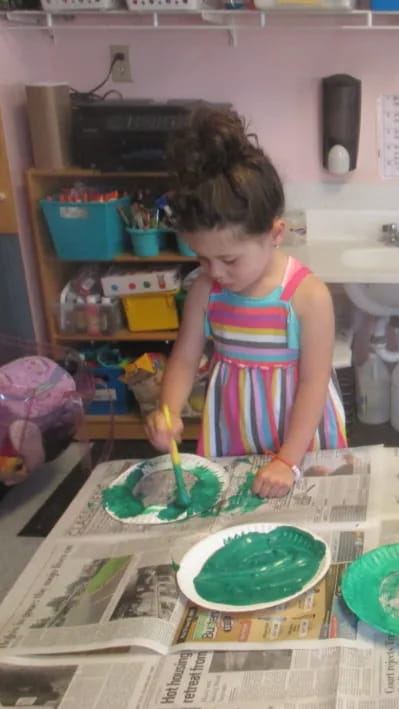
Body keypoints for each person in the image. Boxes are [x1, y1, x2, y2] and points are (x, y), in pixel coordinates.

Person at [145, 107, 347, 497]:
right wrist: (167, 411)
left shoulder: (307, 296)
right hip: (234, 425)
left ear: (274, 234)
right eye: (202, 257)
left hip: (298, 434)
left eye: (229, 259)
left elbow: (313, 382)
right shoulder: (206, 290)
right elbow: (186, 357)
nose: (215, 271)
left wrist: (287, 460)